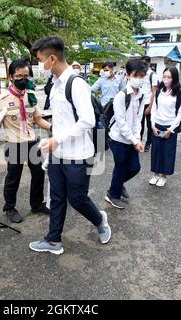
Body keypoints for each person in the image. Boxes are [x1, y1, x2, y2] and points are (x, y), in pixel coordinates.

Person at [29, 36, 111, 255]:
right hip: (58, 154)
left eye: (40, 60)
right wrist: (52, 141)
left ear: (52, 59)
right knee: (56, 197)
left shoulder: (76, 84)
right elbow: (62, 120)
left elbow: (87, 121)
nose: (39, 65)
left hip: (78, 155)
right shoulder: (55, 85)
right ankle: (53, 240)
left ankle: (99, 220)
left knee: (78, 199)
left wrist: (58, 139)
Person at [0, 59, 52, 223]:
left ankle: (37, 204)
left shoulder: (31, 96)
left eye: (26, 76)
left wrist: (53, 128)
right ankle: (9, 208)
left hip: (32, 141)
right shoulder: (1, 99)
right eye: (19, 76)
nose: (23, 79)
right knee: (13, 177)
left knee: (39, 173)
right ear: (11, 77)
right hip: (13, 143)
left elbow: (38, 119)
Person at [104, 59, 147, 209]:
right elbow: (121, 123)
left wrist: (138, 138)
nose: (140, 79)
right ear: (128, 75)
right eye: (137, 75)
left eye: (143, 76)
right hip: (118, 139)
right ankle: (112, 195)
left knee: (135, 168)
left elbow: (138, 119)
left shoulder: (142, 95)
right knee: (120, 167)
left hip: (132, 139)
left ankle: (118, 184)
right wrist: (134, 140)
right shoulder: (121, 96)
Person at [149, 67, 181, 187]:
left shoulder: (179, 94)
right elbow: (154, 108)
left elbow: (180, 113)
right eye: (164, 76)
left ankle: (163, 175)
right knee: (156, 151)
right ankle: (155, 174)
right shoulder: (159, 91)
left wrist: (170, 129)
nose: (166, 79)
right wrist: (153, 125)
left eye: (169, 77)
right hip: (157, 125)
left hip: (169, 127)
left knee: (167, 152)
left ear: (174, 78)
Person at [140, 56, 158, 152]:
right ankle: (139, 141)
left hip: (148, 104)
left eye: (144, 63)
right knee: (139, 124)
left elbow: (154, 92)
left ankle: (148, 143)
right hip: (140, 103)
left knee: (150, 125)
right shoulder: (140, 74)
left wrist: (150, 107)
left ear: (148, 63)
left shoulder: (152, 75)